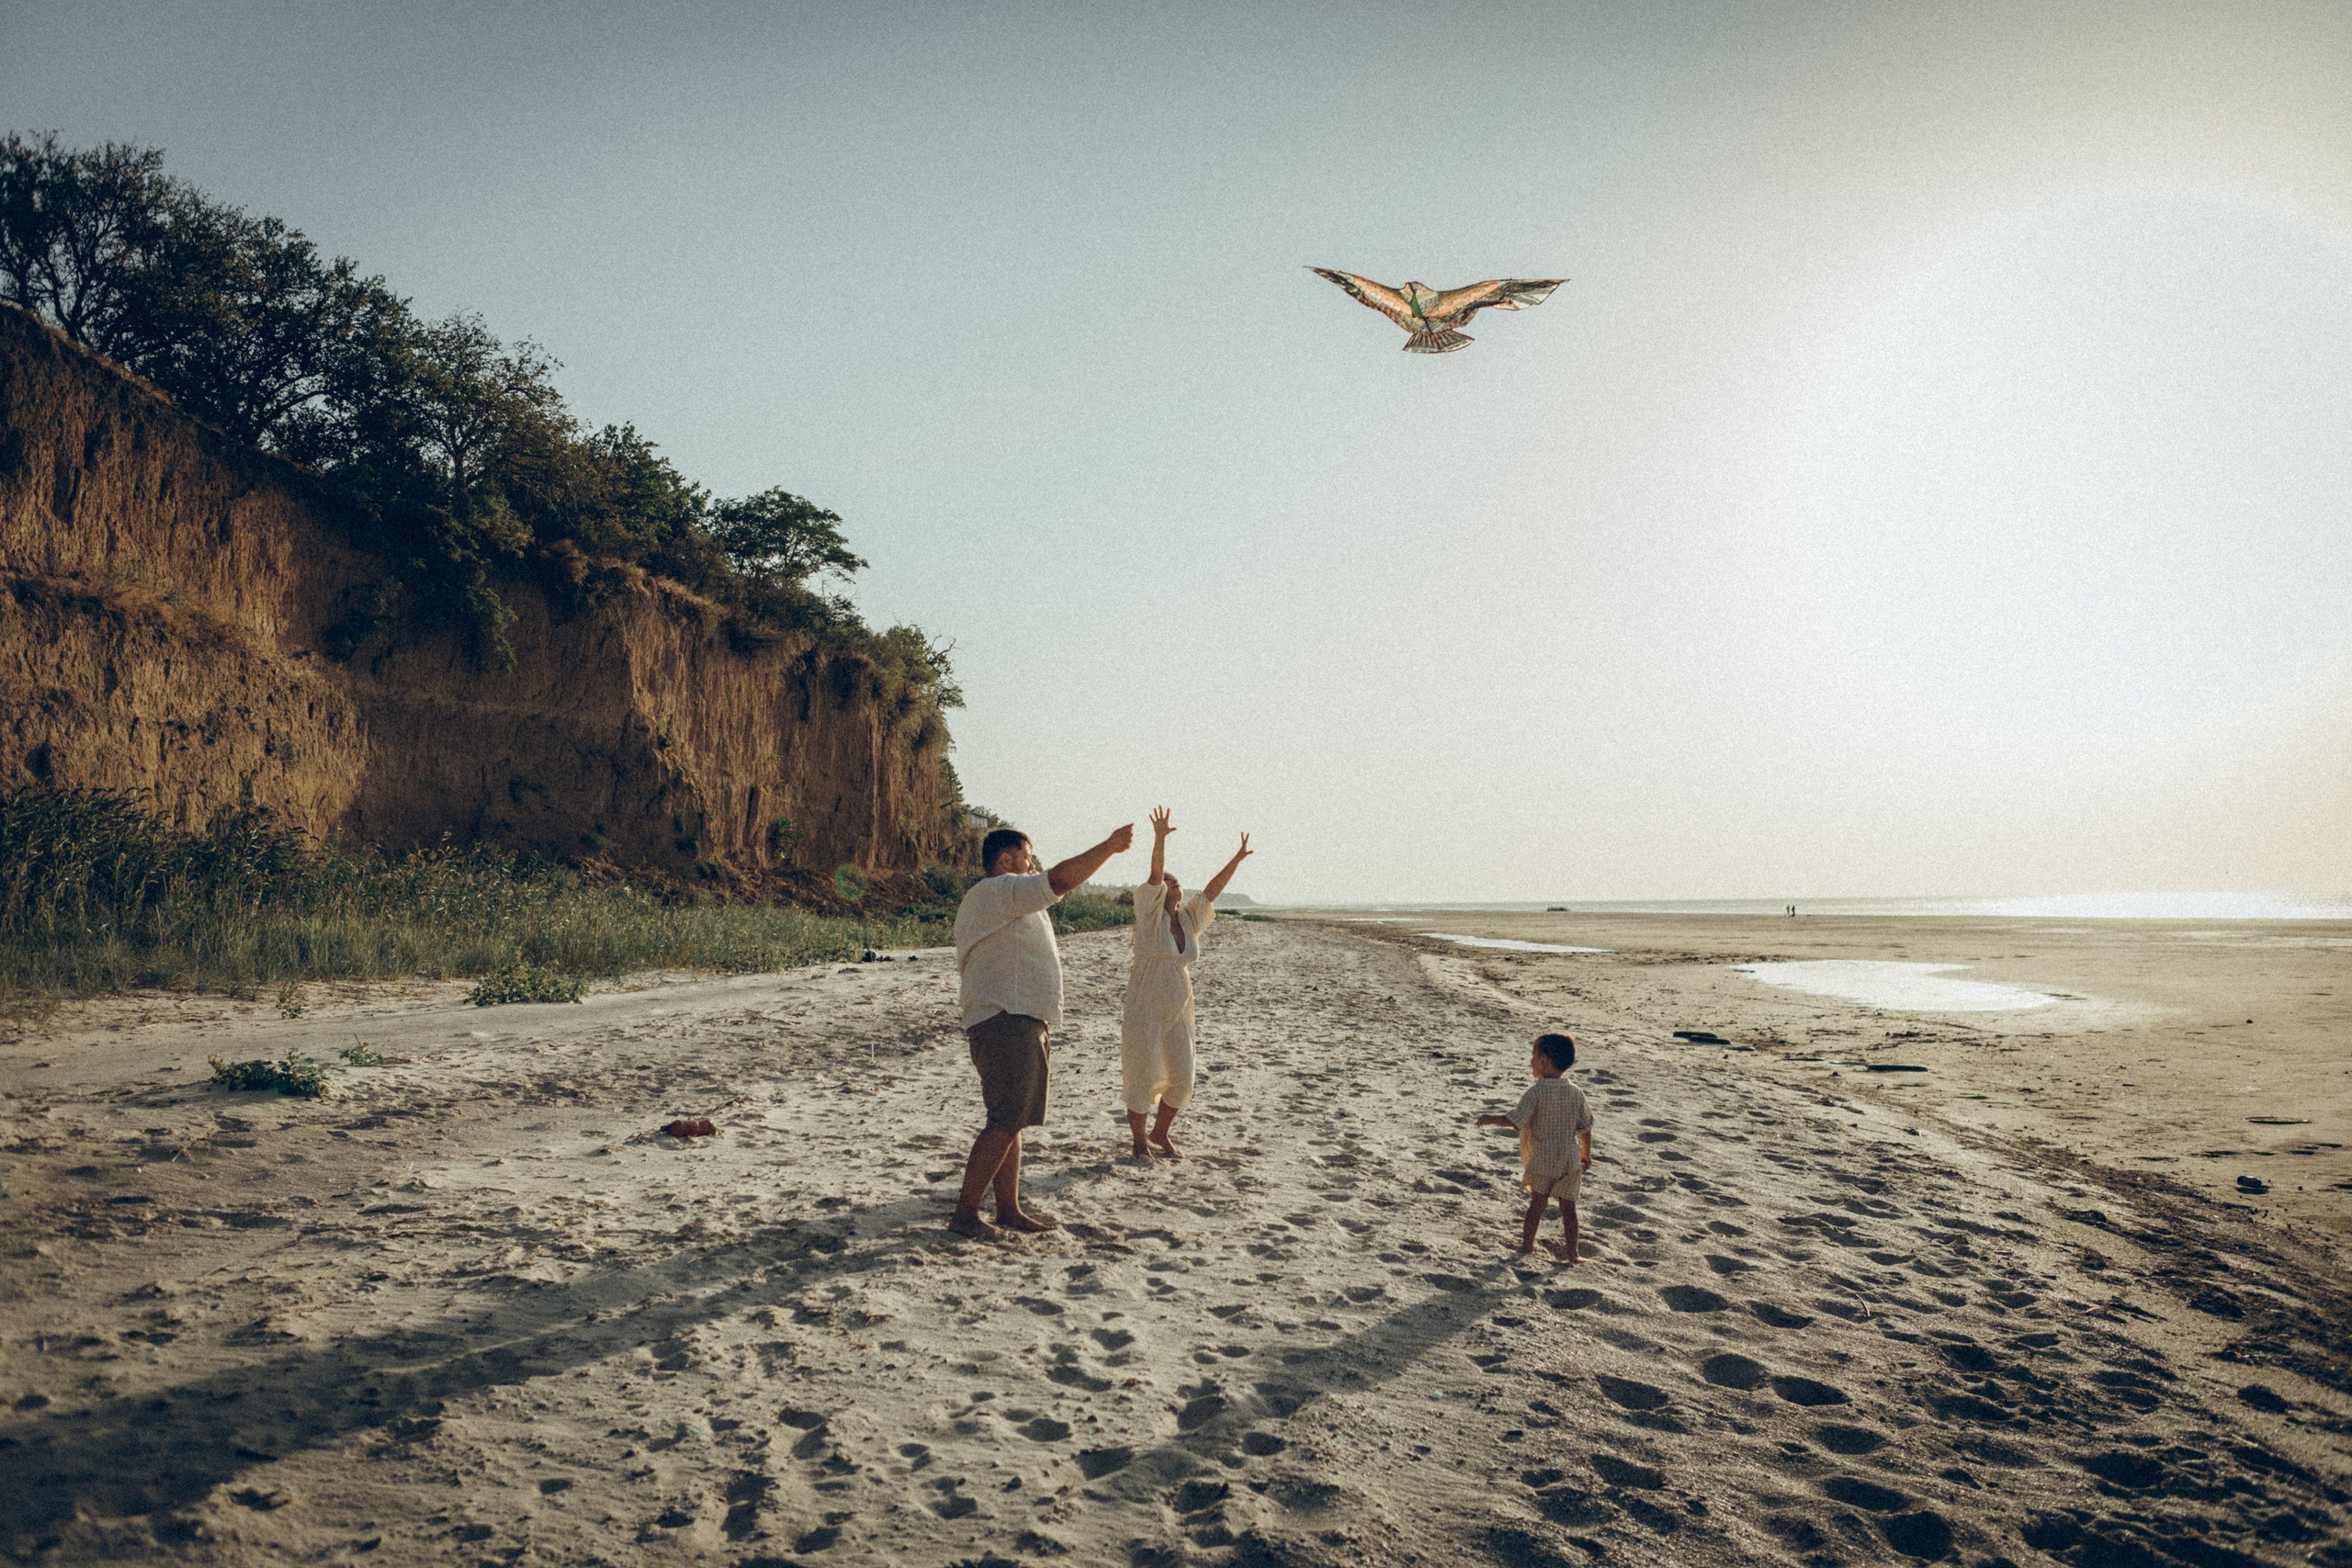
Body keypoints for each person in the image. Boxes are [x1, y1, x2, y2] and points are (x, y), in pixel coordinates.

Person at [948, 819, 1135, 1238]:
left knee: (1011, 1119)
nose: (1032, 866)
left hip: (1015, 1016)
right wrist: (1109, 846)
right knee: (1004, 1120)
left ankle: (1008, 1209)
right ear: (1006, 860)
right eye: (1027, 858)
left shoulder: (1001, 897)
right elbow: (1060, 880)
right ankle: (964, 1215)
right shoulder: (998, 890)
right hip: (1006, 1018)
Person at [1121, 807, 1251, 1160]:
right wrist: (1160, 839)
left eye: (1176, 881)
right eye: (1169, 881)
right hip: (1145, 1005)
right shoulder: (1149, 914)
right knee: (1141, 1074)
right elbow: (1154, 876)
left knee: (1183, 1077)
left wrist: (1237, 859)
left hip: (1179, 1010)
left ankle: (1160, 1133)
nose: (1174, 883)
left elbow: (1212, 890)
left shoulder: (1188, 919)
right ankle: (1138, 1141)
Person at [1475, 1032, 1593, 1258]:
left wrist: (1491, 1118)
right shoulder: (1576, 1092)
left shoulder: (1536, 1092)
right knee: (1569, 1209)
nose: (1530, 1061)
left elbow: (1516, 1120)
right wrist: (1586, 1153)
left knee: (1537, 1205)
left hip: (1544, 1158)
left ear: (1544, 1060)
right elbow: (1585, 1127)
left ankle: (1527, 1245)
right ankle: (1573, 1253)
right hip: (1569, 1158)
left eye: (1533, 1056)